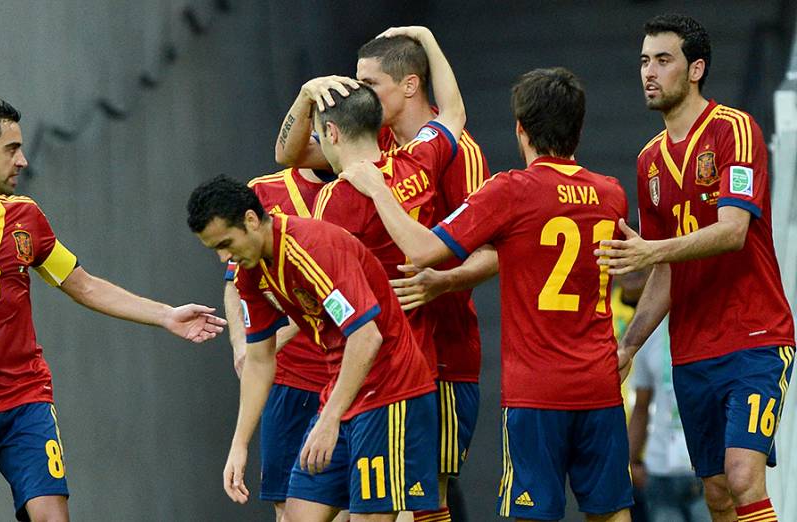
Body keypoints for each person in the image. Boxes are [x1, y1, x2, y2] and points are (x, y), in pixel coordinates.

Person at [0, 100, 226, 522]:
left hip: (26, 398)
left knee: (51, 515)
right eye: (11, 149)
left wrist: (166, 315)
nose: (22, 160)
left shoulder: (27, 217)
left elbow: (83, 284)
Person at [340, 67, 633, 521]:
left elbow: (421, 250)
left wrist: (378, 189)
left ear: (521, 129)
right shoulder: (611, 194)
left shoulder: (511, 191)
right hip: (600, 383)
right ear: (578, 127)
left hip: (537, 391)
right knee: (611, 512)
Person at [275, 31, 489, 521]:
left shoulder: (330, 204)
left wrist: (278, 332)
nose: (359, 89)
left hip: (399, 365)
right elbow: (453, 114)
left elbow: (329, 287)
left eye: (367, 82)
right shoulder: (415, 158)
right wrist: (431, 42)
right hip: (381, 365)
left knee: (401, 506)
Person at [595, 14, 795, 522]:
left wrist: (653, 251)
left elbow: (732, 232)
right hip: (691, 349)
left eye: (663, 60)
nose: (650, 72)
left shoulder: (735, 129)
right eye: (644, 61)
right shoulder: (648, 162)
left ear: (696, 68)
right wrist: (630, 345)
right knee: (716, 493)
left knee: (745, 475)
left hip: (755, 335)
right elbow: (663, 271)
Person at [189, 176, 438, 521]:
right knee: (295, 516)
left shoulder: (312, 248)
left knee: (368, 518)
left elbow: (367, 337)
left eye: (225, 243)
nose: (222, 257)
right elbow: (260, 360)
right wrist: (239, 446)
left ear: (250, 220)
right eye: (214, 248)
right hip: (342, 393)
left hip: (390, 393)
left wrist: (329, 419)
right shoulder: (252, 273)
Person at [221, 166, 342, 521]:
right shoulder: (262, 191)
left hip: (350, 380)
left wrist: (266, 341)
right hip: (290, 381)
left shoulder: (365, 184)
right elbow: (236, 283)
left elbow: (347, 309)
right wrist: (241, 343)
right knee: (288, 510)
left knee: (356, 510)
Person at [628, 317, 710, 522]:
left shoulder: (714, 325)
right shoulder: (652, 332)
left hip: (708, 468)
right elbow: (641, 406)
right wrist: (630, 462)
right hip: (660, 470)